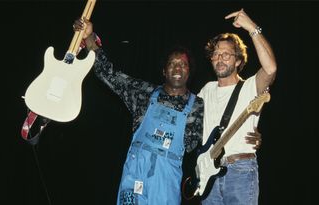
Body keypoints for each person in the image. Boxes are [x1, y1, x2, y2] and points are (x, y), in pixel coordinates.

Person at [73, 16, 263, 205]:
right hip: (134, 176)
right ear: (164, 70)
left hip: (166, 183)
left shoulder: (197, 106)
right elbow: (110, 75)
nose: (178, 67)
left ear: (189, 72)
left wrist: (251, 135)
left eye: (183, 64)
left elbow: (213, 131)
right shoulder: (143, 94)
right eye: (172, 63)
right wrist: (90, 38)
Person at [198, 9, 277, 205]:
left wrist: (252, 28)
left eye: (227, 54)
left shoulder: (250, 86)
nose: (220, 58)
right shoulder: (205, 90)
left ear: (239, 60)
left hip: (240, 171)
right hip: (208, 175)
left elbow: (271, 69)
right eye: (216, 54)